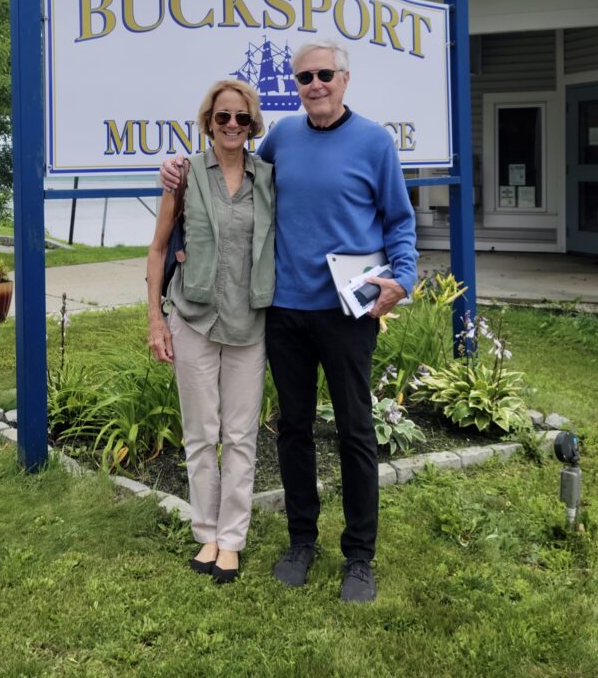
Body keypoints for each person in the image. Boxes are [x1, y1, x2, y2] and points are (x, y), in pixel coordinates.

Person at [161, 40, 417, 602]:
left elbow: (400, 220)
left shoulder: (375, 142)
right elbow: (228, 176)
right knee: (294, 430)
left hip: (348, 312)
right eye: (304, 78)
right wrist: (176, 168)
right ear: (295, 87)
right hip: (283, 310)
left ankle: (359, 556)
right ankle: (302, 540)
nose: (315, 84)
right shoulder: (280, 139)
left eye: (325, 74)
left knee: (354, 430)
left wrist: (404, 278)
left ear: (344, 79)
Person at [146, 79, 275, 584]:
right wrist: (156, 317)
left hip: (249, 322)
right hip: (194, 318)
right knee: (201, 434)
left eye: (241, 118)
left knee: (240, 436)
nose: (232, 126)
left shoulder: (267, 177)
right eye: (223, 117)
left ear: (252, 125)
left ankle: (232, 540)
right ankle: (207, 534)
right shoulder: (182, 177)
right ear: (209, 122)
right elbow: (159, 249)